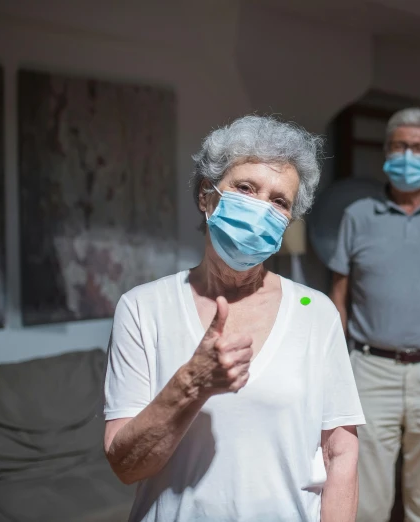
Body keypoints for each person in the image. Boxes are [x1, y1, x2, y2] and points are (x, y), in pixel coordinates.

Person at [103, 115, 365, 522]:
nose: (262, 209)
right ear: (207, 198)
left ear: (286, 223)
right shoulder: (142, 308)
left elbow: (341, 452)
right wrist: (192, 383)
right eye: (246, 188)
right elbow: (126, 465)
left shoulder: (317, 314)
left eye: (279, 201)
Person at [329, 108, 420, 522]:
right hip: (370, 370)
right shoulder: (358, 214)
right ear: (385, 153)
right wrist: (337, 367)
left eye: (419, 148)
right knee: (366, 503)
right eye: (399, 146)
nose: (408, 156)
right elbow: (337, 294)